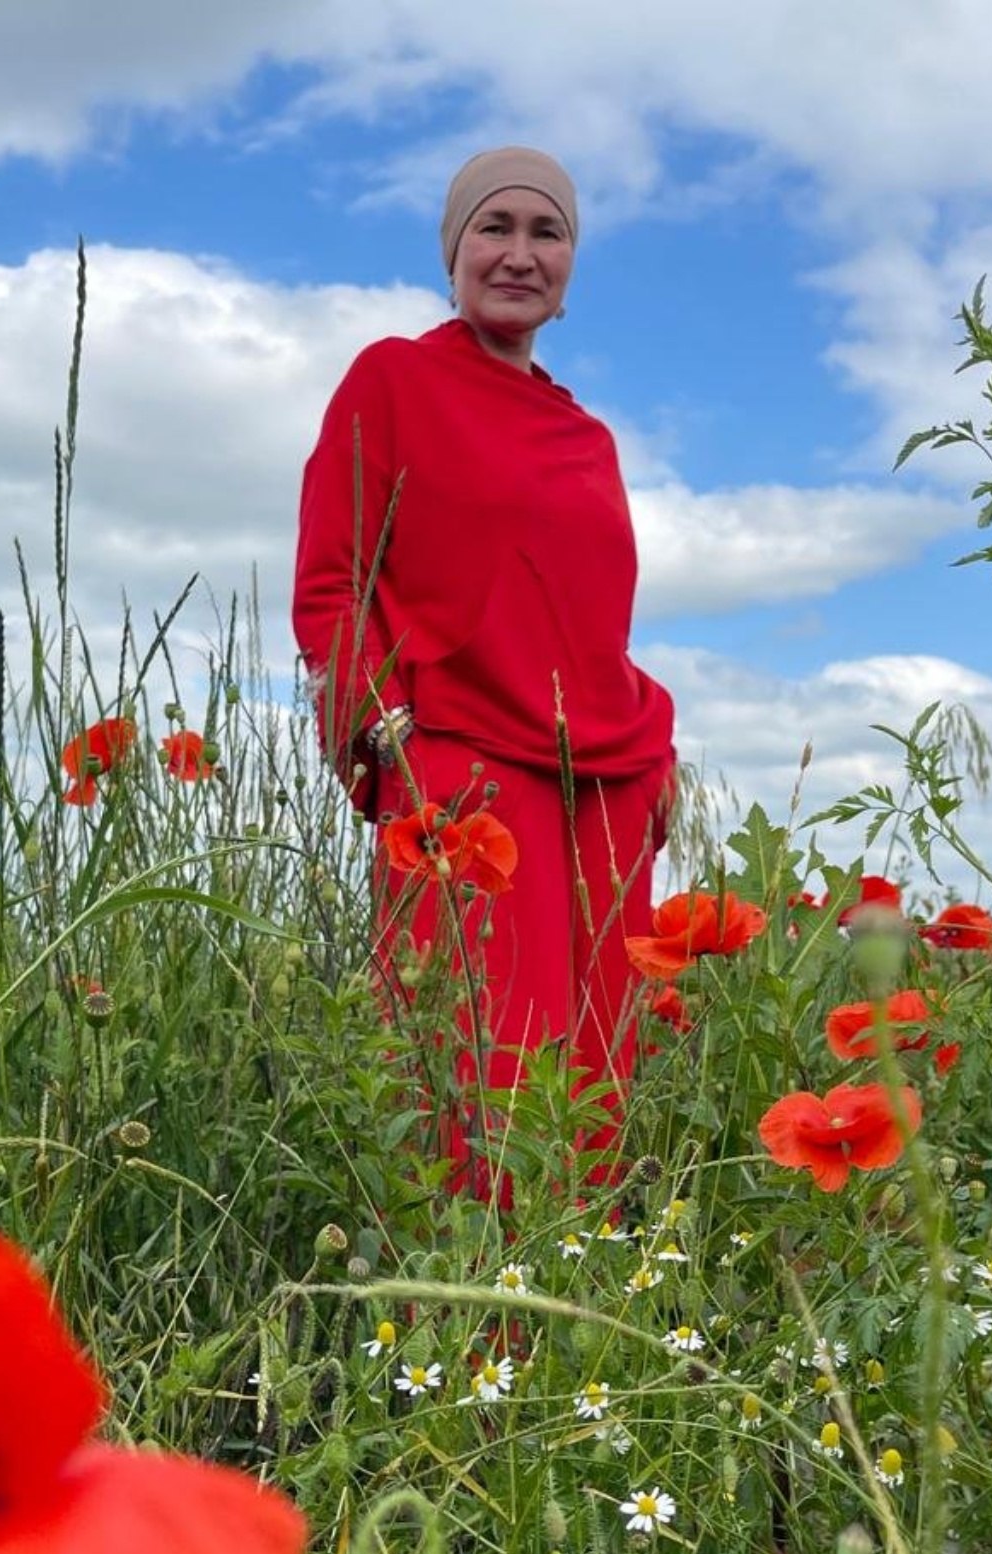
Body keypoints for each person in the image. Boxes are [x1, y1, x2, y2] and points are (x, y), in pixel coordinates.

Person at [292, 146, 678, 1163]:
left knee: (593, 1081)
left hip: (607, 780)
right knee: (473, 1073)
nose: (519, 253)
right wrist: (383, 748)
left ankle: (576, 1314)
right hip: (461, 772)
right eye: (493, 229)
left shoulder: (587, 436)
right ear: (452, 253)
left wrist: (657, 748)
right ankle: (466, 1325)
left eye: (545, 232)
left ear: (571, 263)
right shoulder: (394, 379)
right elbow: (333, 583)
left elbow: (593, 626)